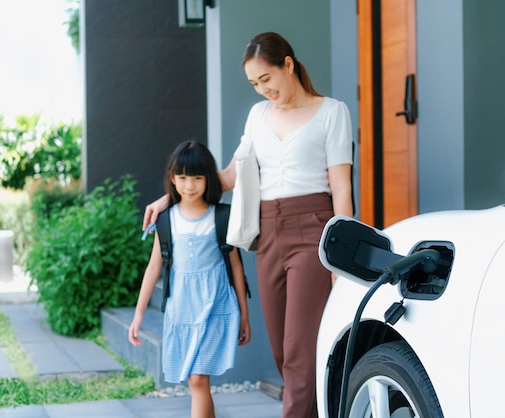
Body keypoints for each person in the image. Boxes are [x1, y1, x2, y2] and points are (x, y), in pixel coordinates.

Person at [142, 32, 353, 418]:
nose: (262, 90)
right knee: (281, 350)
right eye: (255, 84)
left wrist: (341, 255)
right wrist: (169, 200)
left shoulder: (331, 112)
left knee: (299, 350)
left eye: (266, 79)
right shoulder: (258, 116)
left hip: (314, 230)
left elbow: (341, 187)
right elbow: (226, 176)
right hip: (268, 233)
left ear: (287, 65)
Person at [129, 140, 251, 418]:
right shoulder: (166, 219)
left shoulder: (220, 217)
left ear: (209, 178)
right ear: (172, 179)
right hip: (182, 309)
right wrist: (138, 315)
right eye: (182, 178)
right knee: (196, 381)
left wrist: (244, 315)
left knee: (198, 379)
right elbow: (153, 268)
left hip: (216, 306)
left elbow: (236, 268)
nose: (190, 185)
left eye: (197, 177)